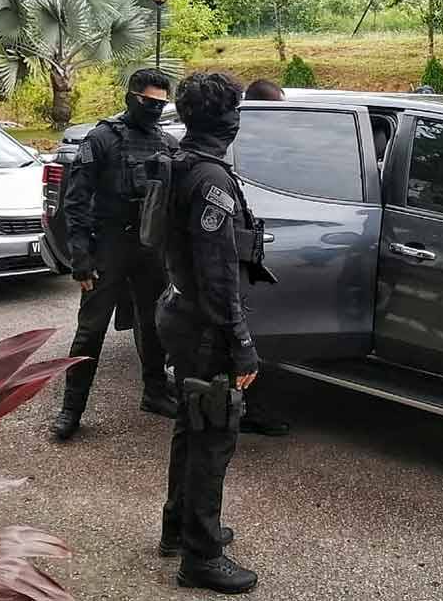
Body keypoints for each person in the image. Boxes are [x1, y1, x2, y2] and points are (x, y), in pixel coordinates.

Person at [156, 72, 261, 594]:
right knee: (214, 435)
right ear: (230, 118)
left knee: (191, 425)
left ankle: (180, 528)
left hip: (178, 308)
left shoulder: (178, 162)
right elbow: (218, 274)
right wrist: (242, 344)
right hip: (204, 322)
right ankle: (201, 556)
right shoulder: (211, 179)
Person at [51, 69, 179, 441]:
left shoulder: (166, 142)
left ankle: (155, 392)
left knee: (154, 323)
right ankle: (71, 410)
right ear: (131, 97)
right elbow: (75, 202)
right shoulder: (103, 138)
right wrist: (80, 258)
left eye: (161, 104)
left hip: (148, 247)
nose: (154, 110)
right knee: (90, 331)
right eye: (148, 102)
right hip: (108, 246)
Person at [234, 78, 290, 437]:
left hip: (254, 244)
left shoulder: (261, 140)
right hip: (242, 249)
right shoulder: (245, 144)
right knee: (242, 331)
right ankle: (245, 409)